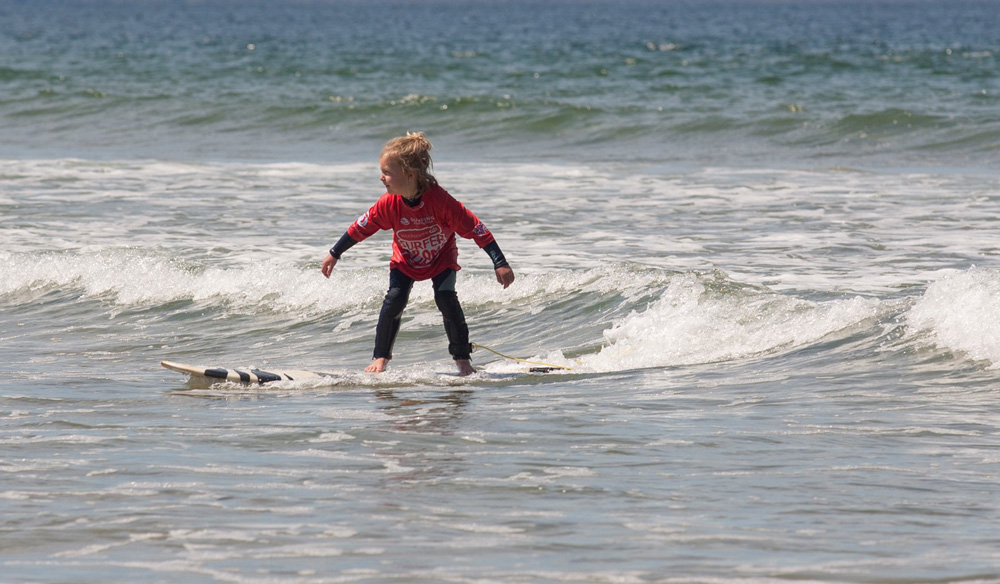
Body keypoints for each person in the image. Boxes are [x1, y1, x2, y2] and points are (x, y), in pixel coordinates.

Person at [321, 132, 515, 376]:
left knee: (446, 300)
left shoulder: (441, 201)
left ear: (410, 175)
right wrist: (335, 253)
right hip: (405, 260)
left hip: (441, 258)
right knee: (394, 300)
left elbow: (476, 228)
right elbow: (361, 228)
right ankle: (380, 358)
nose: (382, 178)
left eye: (387, 172)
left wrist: (500, 262)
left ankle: (463, 361)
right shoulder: (388, 203)